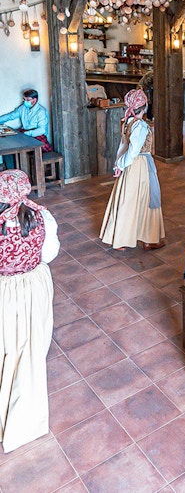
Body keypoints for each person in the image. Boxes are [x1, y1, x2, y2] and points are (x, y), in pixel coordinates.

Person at [0, 169, 59, 453]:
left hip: (4, 292)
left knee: (6, 349)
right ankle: (27, 419)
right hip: (34, 286)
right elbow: (50, 253)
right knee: (32, 348)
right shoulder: (42, 216)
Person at [100, 89, 165, 250]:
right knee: (147, 199)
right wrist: (121, 164)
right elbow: (133, 150)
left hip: (129, 165)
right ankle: (148, 239)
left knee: (126, 199)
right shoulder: (140, 125)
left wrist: (119, 164)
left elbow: (122, 146)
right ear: (145, 107)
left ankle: (117, 236)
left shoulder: (127, 122)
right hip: (140, 165)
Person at [0, 90, 52, 168]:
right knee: (8, 147)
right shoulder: (23, 108)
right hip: (24, 132)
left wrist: (26, 134)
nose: (25, 102)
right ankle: (12, 170)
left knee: (37, 150)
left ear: (34, 100)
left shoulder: (41, 111)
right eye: (24, 99)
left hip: (36, 135)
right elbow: (11, 116)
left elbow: (42, 130)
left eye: (27, 100)